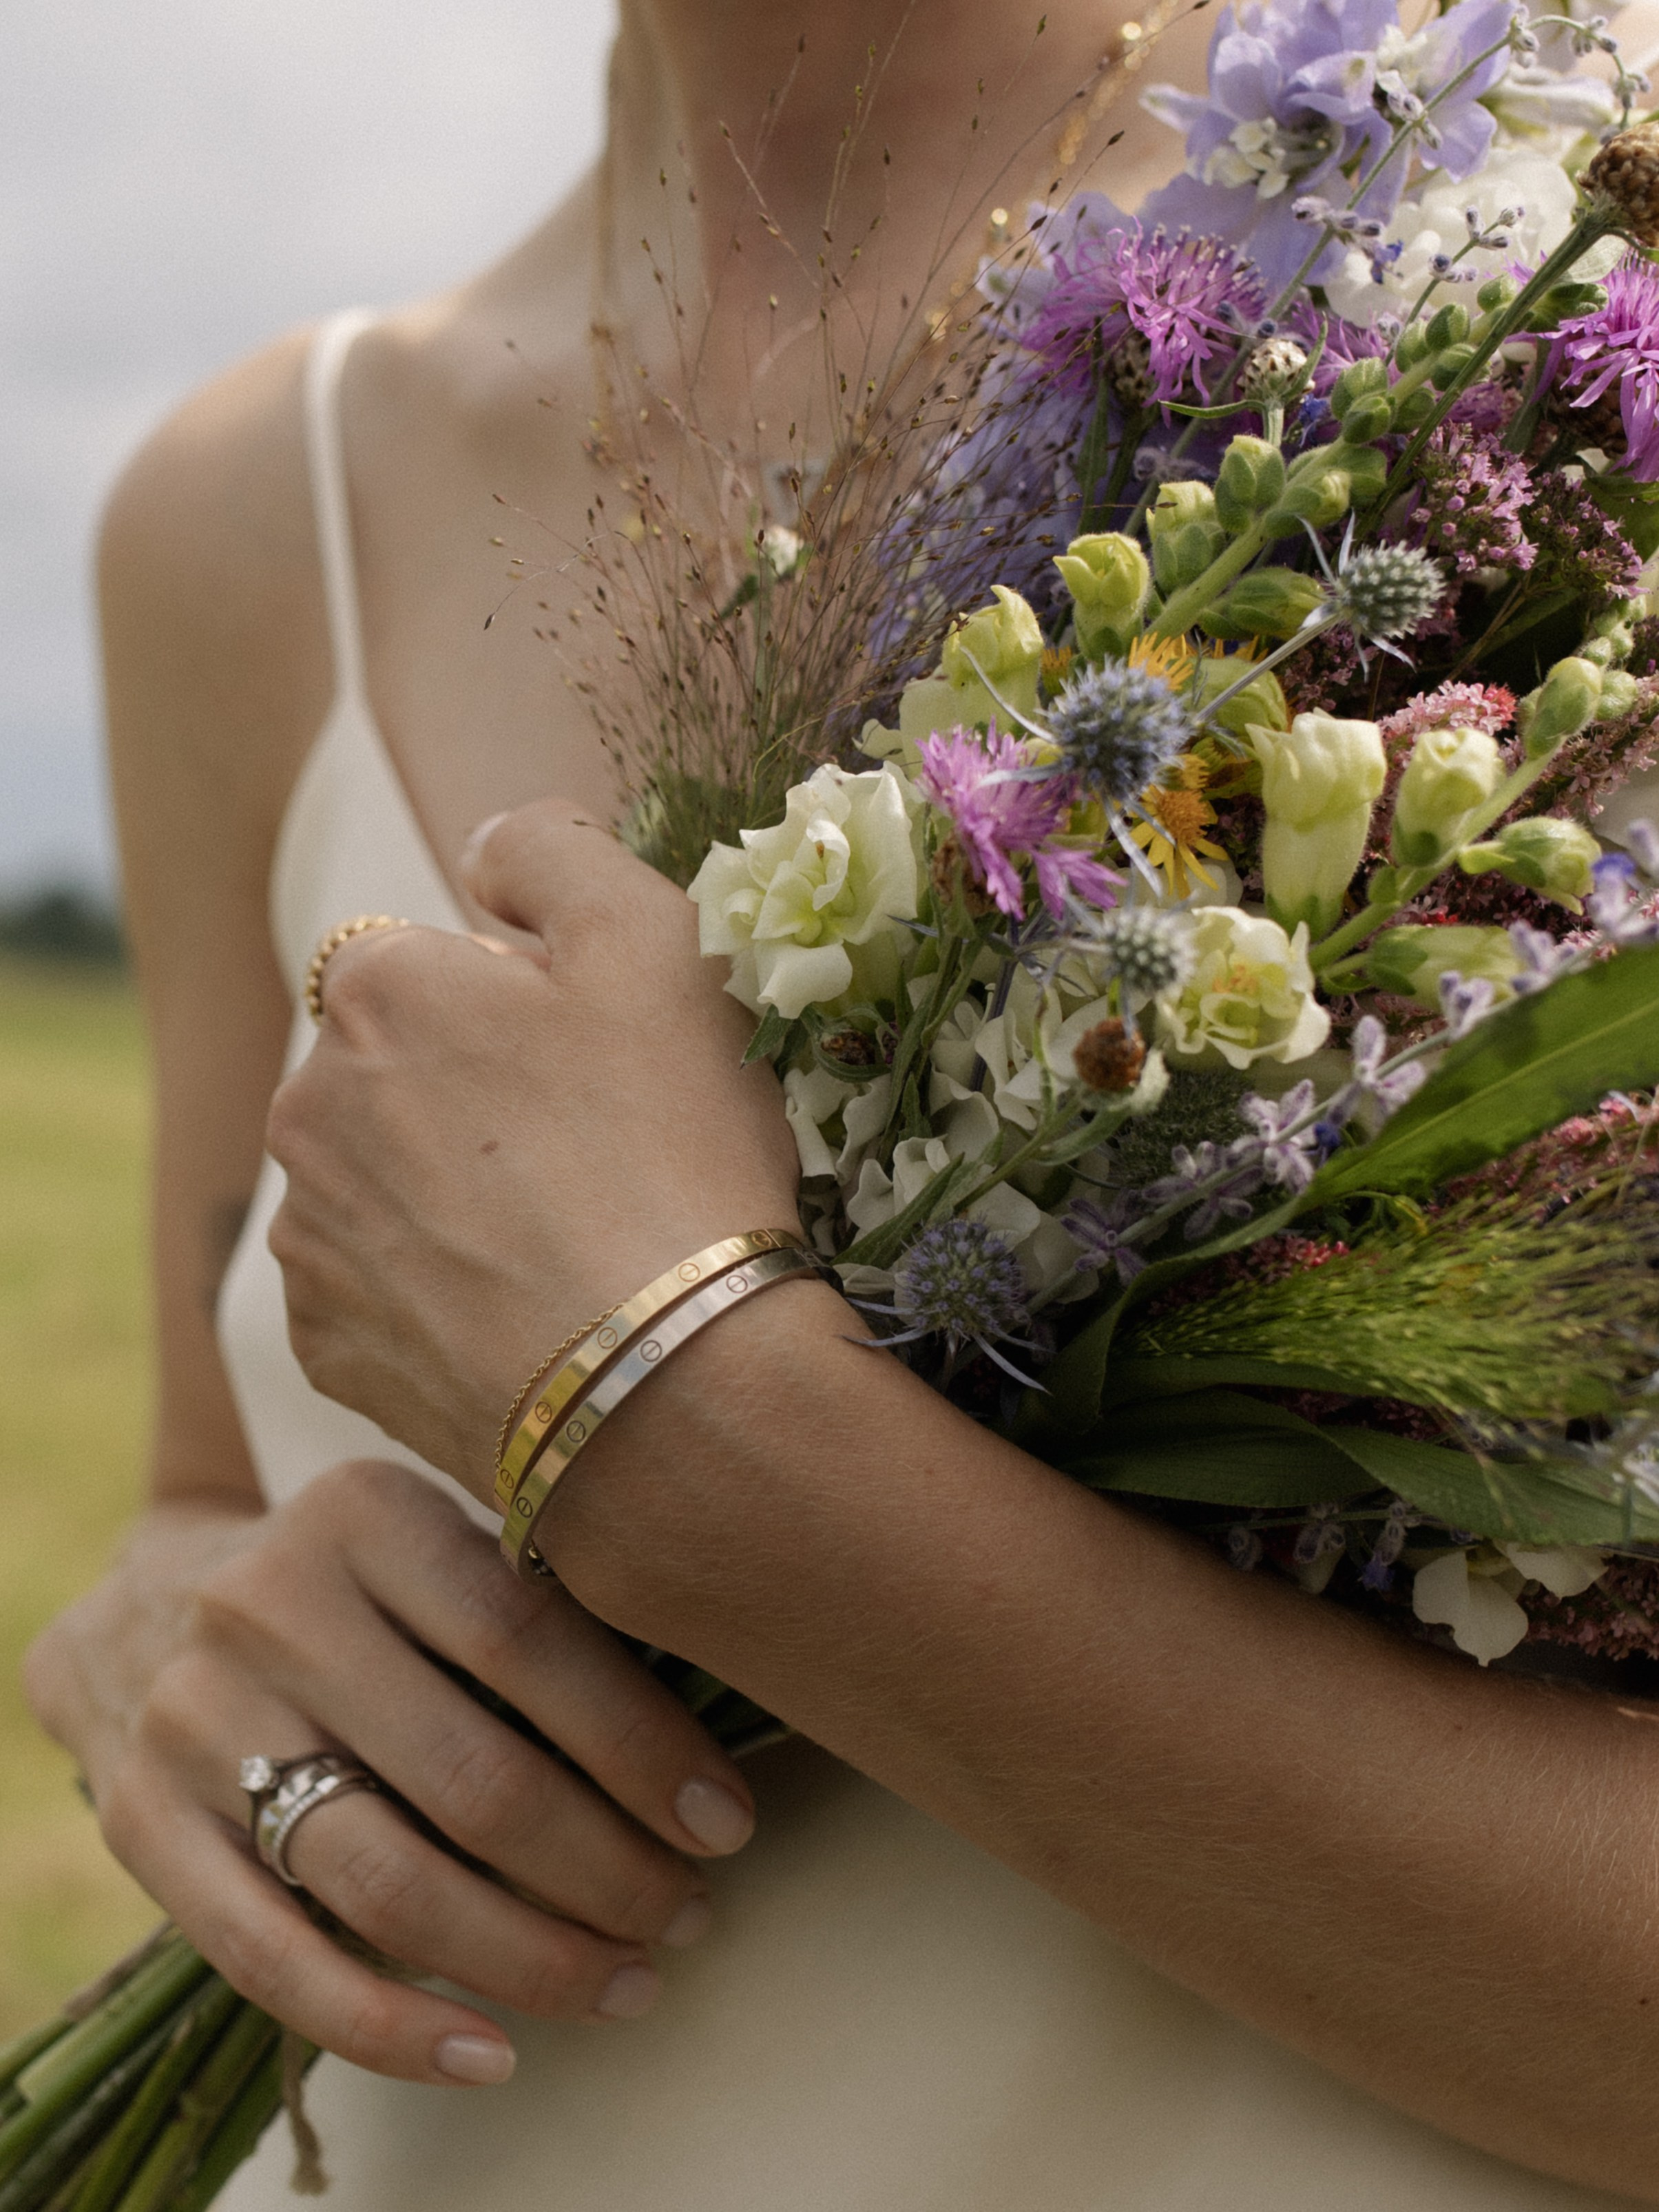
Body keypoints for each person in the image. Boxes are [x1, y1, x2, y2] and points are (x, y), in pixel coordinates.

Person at [21, 0, 1659, 2202]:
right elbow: (206, 1495)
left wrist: (705, 1440)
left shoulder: (1568, 291)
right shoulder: (241, 517)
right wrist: (168, 1655)